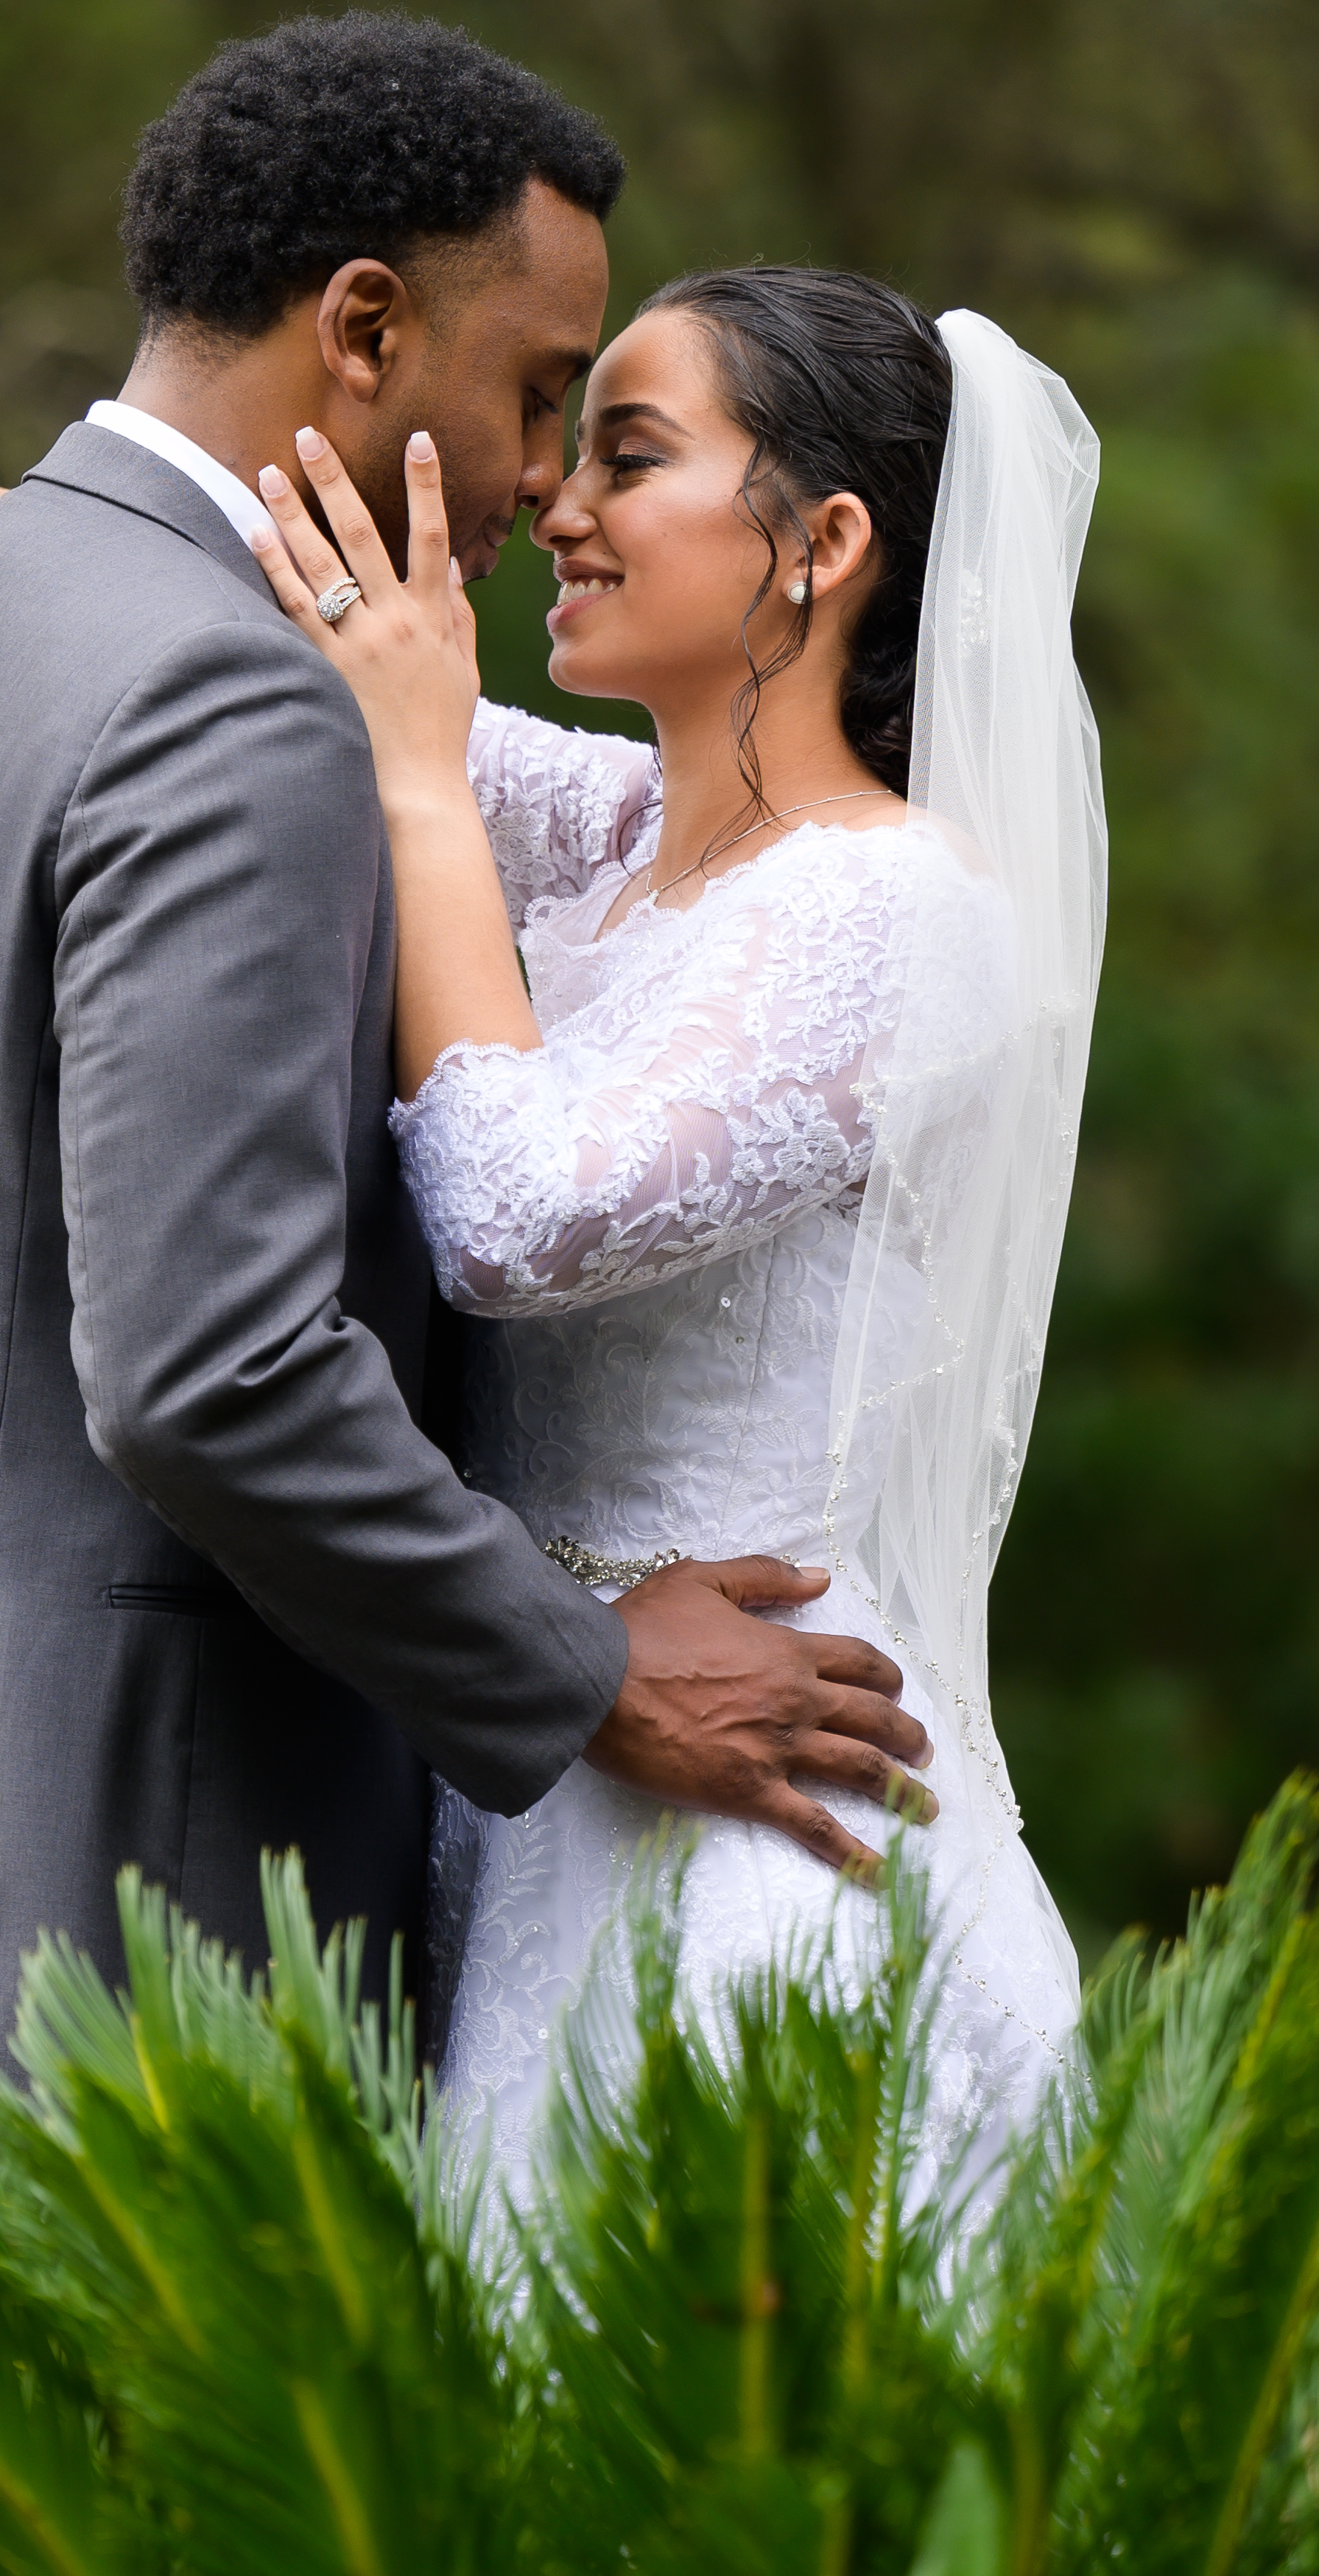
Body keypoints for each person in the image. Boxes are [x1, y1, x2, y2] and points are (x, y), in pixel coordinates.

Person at [0, 17, 931, 2127]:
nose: (539, 482)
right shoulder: (237, 713)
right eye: (536, 396)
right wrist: (591, 1673)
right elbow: (208, 1371)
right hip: (88, 1920)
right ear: (361, 327)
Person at [247, 261, 1102, 2191]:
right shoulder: (632, 852)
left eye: (629, 456)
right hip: (563, 1766)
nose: (557, 504)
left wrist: (407, 776)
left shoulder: (900, 913)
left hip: (762, 1825)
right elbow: (328, 637)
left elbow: (514, 1215)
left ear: (822, 542)